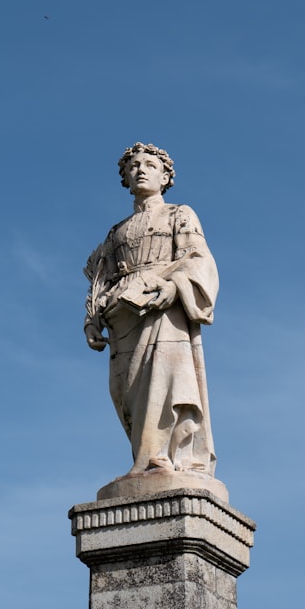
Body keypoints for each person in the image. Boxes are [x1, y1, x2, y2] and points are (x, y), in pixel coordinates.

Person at [84, 142, 219, 477]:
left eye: (149, 164)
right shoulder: (116, 232)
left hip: (163, 310)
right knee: (127, 393)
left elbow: (196, 260)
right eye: (133, 166)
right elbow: (100, 278)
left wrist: (174, 288)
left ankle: (161, 459)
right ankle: (143, 458)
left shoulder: (179, 214)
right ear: (125, 180)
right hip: (122, 316)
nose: (140, 170)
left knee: (167, 382)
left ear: (165, 176)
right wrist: (92, 320)